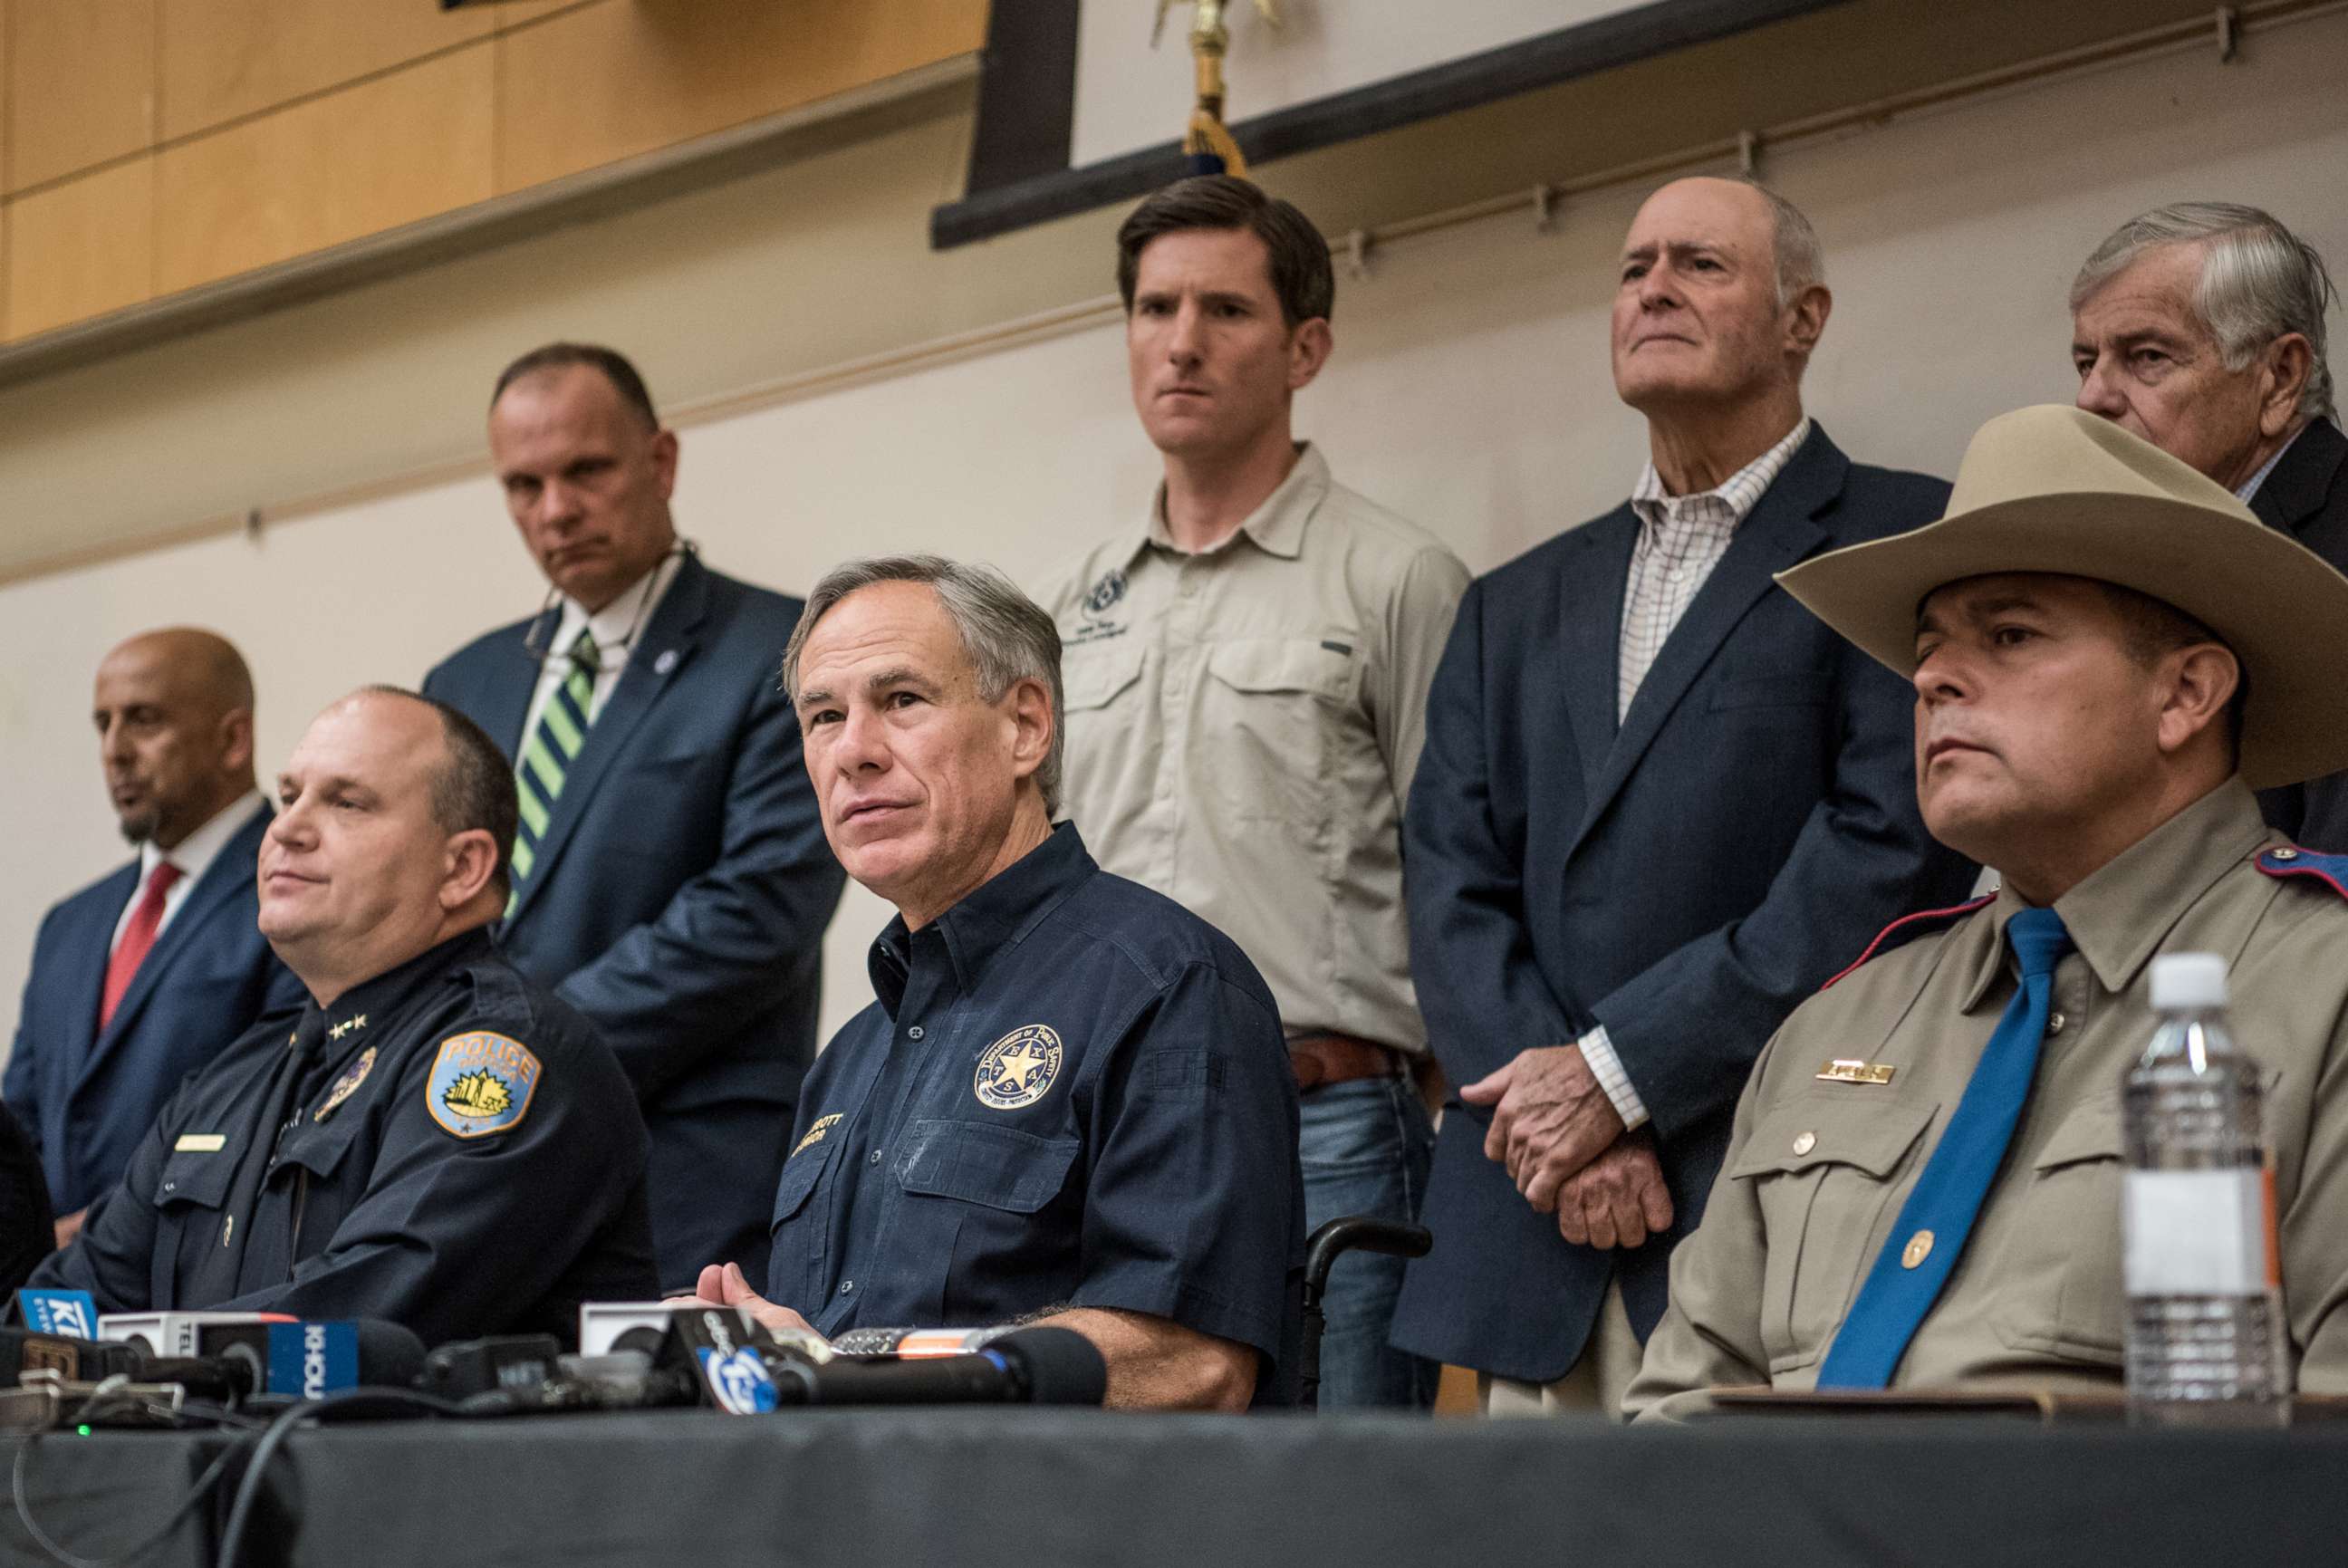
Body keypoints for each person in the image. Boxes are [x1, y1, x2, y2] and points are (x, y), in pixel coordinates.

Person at [1627, 406, 2348, 1417]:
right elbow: (1667, 1426)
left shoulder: (2324, 994)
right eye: (1929, 651)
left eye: (2010, 635)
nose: (1930, 678)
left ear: (2186, 693)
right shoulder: (1840, 1021)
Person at [1392, 177, 1976, 1415]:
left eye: (1700, 264)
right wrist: (1555, 1116)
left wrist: (1621, 1073)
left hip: (1775, 1189)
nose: (1652, 286)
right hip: (1534, 1212)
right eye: (1633, 267)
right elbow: (1449, 880)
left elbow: (1889, 851)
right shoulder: (1512, 601)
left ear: (1802, 318)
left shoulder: (1903, 539)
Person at [1043, 176, 1468, 1408]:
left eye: (1224, 308)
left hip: (1326, 1123)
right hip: (1099, 1131)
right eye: (1154, 306)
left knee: (1338, 1515)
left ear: (1306, 347)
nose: (1180, 341)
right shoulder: (1067, 605)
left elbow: (1463, 874)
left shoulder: (1399, 578)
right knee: (1114, 1499)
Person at [692, 556, 1303, 1410]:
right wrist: (769, 1354)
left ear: (1026, 725)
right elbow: (837, 1358)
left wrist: (857, 1377)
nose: (854, 752)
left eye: (901, 700)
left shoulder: (1167, 986)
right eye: (823, 716)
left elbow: (1193, 1362)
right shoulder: (848, 1056)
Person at [30, 688, 658, 1348]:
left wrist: (133, 1364)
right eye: (288, 796)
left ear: (463, 867)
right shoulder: (233, 1074)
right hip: (199, 1450)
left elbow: (356, 1318)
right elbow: (64, 1306)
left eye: (346, 802)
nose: (286, 829)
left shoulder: (508, 1056)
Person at [423, 344, 843, 1288]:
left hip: (686, 1164)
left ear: (660, 462)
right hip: (477, 1161)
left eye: (586, 470)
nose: (555, 510)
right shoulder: (464, 683)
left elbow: (757, 912)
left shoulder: (784, 648)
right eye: (523, 485)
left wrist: (517, 1050)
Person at [5, 630, 301, 1248]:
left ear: (232, 738)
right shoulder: (71, 923)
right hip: (44, 1299)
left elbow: (273, 1116)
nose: (114, 750)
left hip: (202, 1279)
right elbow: (23, 1122)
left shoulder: (300, 888)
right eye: (103, 724)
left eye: (143, 720)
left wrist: (94, 1234)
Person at [2071, 202, 2348, 850]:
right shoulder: (2143, 555)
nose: (2091, 398)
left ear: (2280, 378)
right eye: (2086, 362)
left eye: (2145, 357)